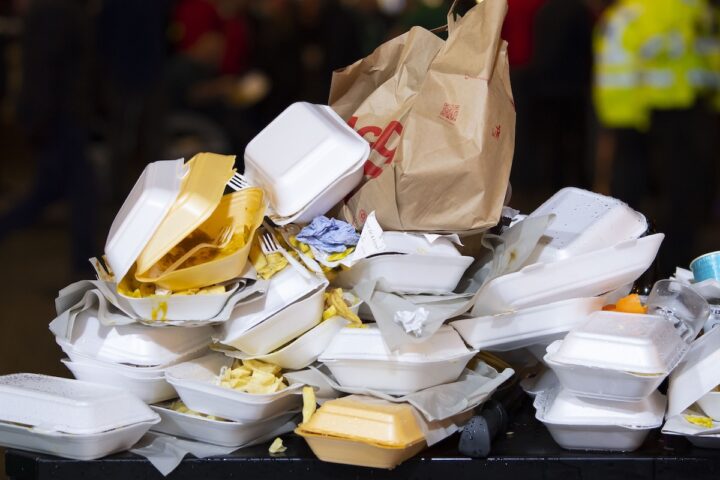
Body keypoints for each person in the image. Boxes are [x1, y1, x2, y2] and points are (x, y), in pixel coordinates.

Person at [0, 0, 96, 278]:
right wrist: (40, 121)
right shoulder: (55, 11)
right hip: (60, 118)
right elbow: (45, 70)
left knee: (52, 191)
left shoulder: (58, 10)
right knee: (80, 191)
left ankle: (85, 262)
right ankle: (85, 265)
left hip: (62, 116)